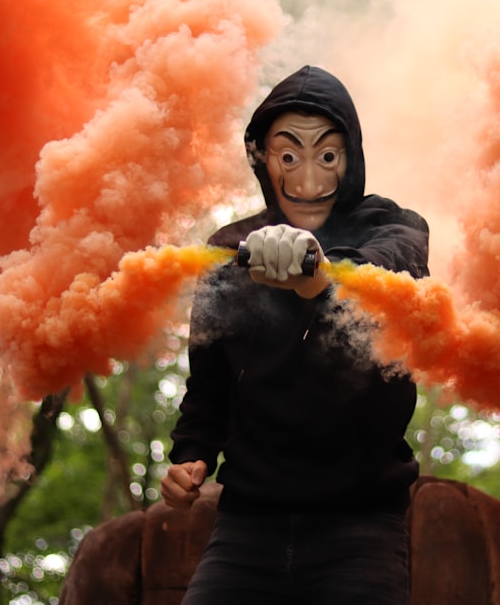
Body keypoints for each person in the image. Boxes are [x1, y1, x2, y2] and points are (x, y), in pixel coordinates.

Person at [161, 65, 430, 604]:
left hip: (362, 527)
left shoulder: (395, 228)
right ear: (263, 158)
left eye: (327, 156)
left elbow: (384, 284)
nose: (309, 183)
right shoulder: (228, 248)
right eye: (289, 156)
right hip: (244, 526)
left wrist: (318, 277)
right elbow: (209, 385)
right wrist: (191, 453)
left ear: (350, 156)